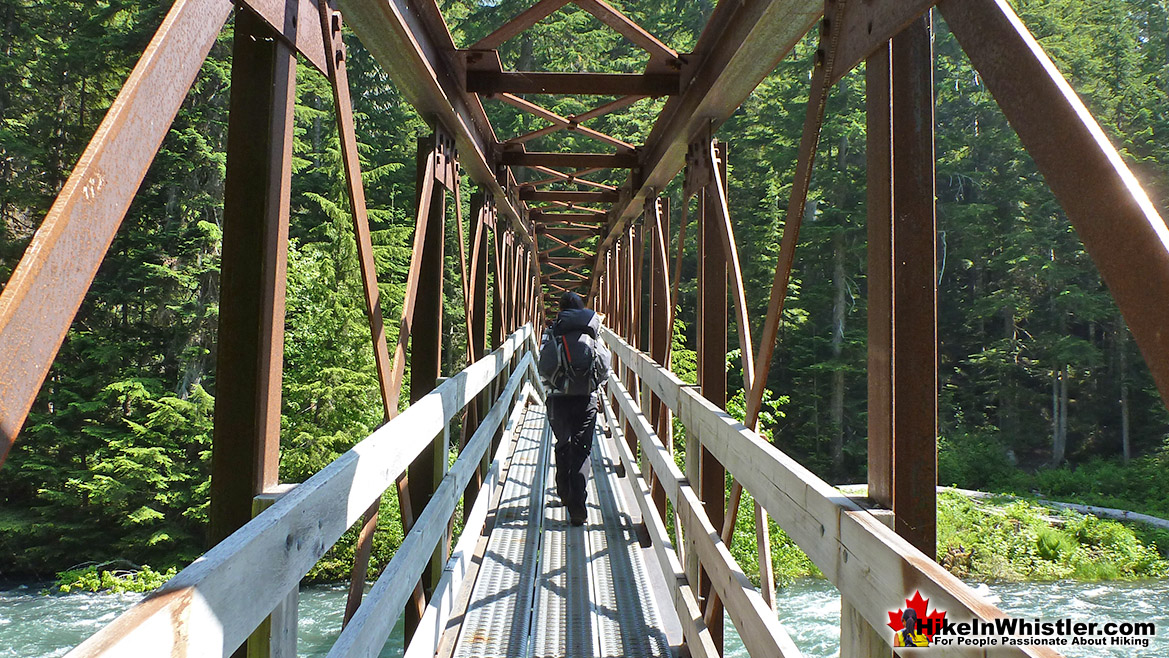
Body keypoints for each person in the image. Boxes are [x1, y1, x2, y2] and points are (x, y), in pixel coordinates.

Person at [538, 291, 611, 526]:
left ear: (561, 310)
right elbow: (604, 366)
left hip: (558, 400)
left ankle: (563, 491)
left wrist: (555, 386)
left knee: (563, 444)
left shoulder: (552, 332)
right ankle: (578, 507)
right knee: (582, 450)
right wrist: (594, 386)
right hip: (586, 398)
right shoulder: (593, 332)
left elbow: (543, 366)